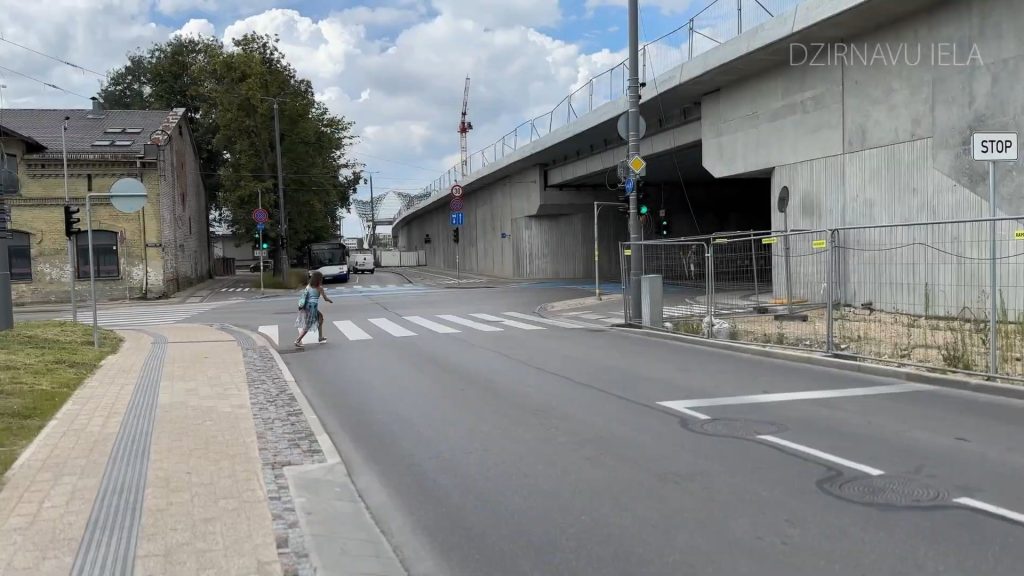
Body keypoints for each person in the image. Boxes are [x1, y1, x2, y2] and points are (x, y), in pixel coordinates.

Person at [294, 271, 333, 347]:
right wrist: (329, 300)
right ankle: (297, 340)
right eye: (321, 278)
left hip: (307, 306)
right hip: (312, 308)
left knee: (320, 318)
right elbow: (325, 298)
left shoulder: (308, 286)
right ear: (319, 279)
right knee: (308, 325)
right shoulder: (319, 288)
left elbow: (304, 296)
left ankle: (320, 337)